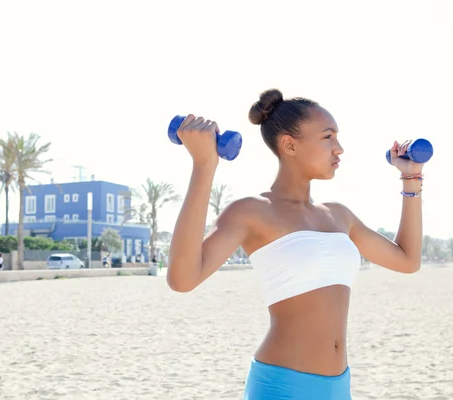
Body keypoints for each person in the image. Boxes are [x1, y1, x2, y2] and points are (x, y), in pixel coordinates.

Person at [167, 88, 424, 399]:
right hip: (283, 386)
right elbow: (182, 279)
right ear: (289, 144)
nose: (339, 148)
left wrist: (411, 179)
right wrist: (204, 165)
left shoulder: (339, 216)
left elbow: (408, 260)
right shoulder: (252, 212)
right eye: (328, 137)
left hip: (339, 385)